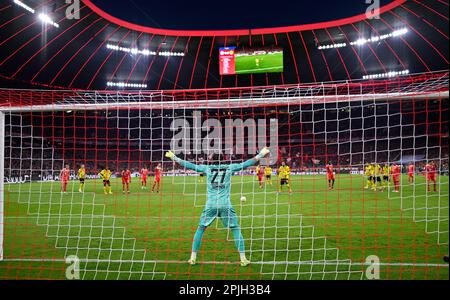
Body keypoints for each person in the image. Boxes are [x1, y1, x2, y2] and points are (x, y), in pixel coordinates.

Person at [165, 147, 270, 267]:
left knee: (201, 228)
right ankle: (243, 259)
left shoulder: (207, 169)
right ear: (224, 160)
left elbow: (190, 165)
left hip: (211, 204)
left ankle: (192, 258)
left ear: (212, 161)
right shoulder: (230, 168)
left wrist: (174, 157)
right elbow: (246, 163)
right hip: (225, 204)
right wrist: (261, 154)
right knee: (235, 229)